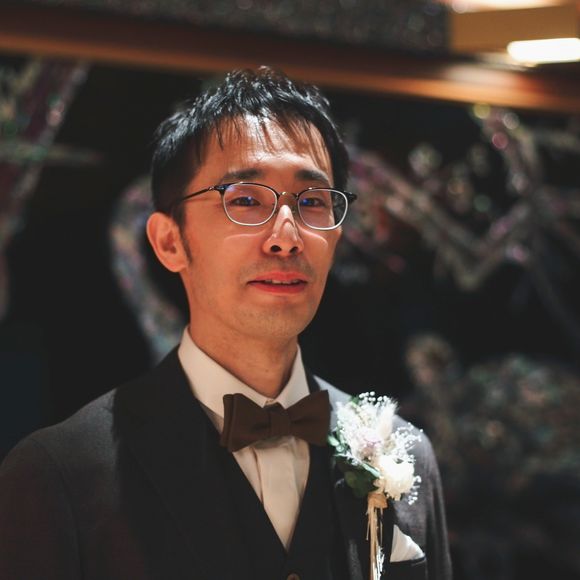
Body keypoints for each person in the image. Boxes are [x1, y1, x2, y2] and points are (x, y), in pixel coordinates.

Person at [0, 67, 452, 580]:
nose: (287, 237)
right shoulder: (58, 476)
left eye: (311, 202)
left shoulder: (404, 452)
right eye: (246, 201)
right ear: (169, 241)